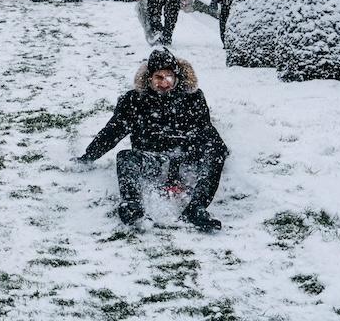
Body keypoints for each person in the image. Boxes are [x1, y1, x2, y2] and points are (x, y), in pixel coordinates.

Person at [74, 49, 228, 232]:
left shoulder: (192, 98)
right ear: (149, 79)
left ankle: (196, 208)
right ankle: (132, 205)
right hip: (153, 159)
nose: (164, 83)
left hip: (185, 159)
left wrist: (218, 151)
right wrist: (89, 155)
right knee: (125, 158)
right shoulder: (134, 100)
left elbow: (206, 130)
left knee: (215, 152)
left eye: (169, 77)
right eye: (158, 77)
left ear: (177, 77)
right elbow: (113, 131)